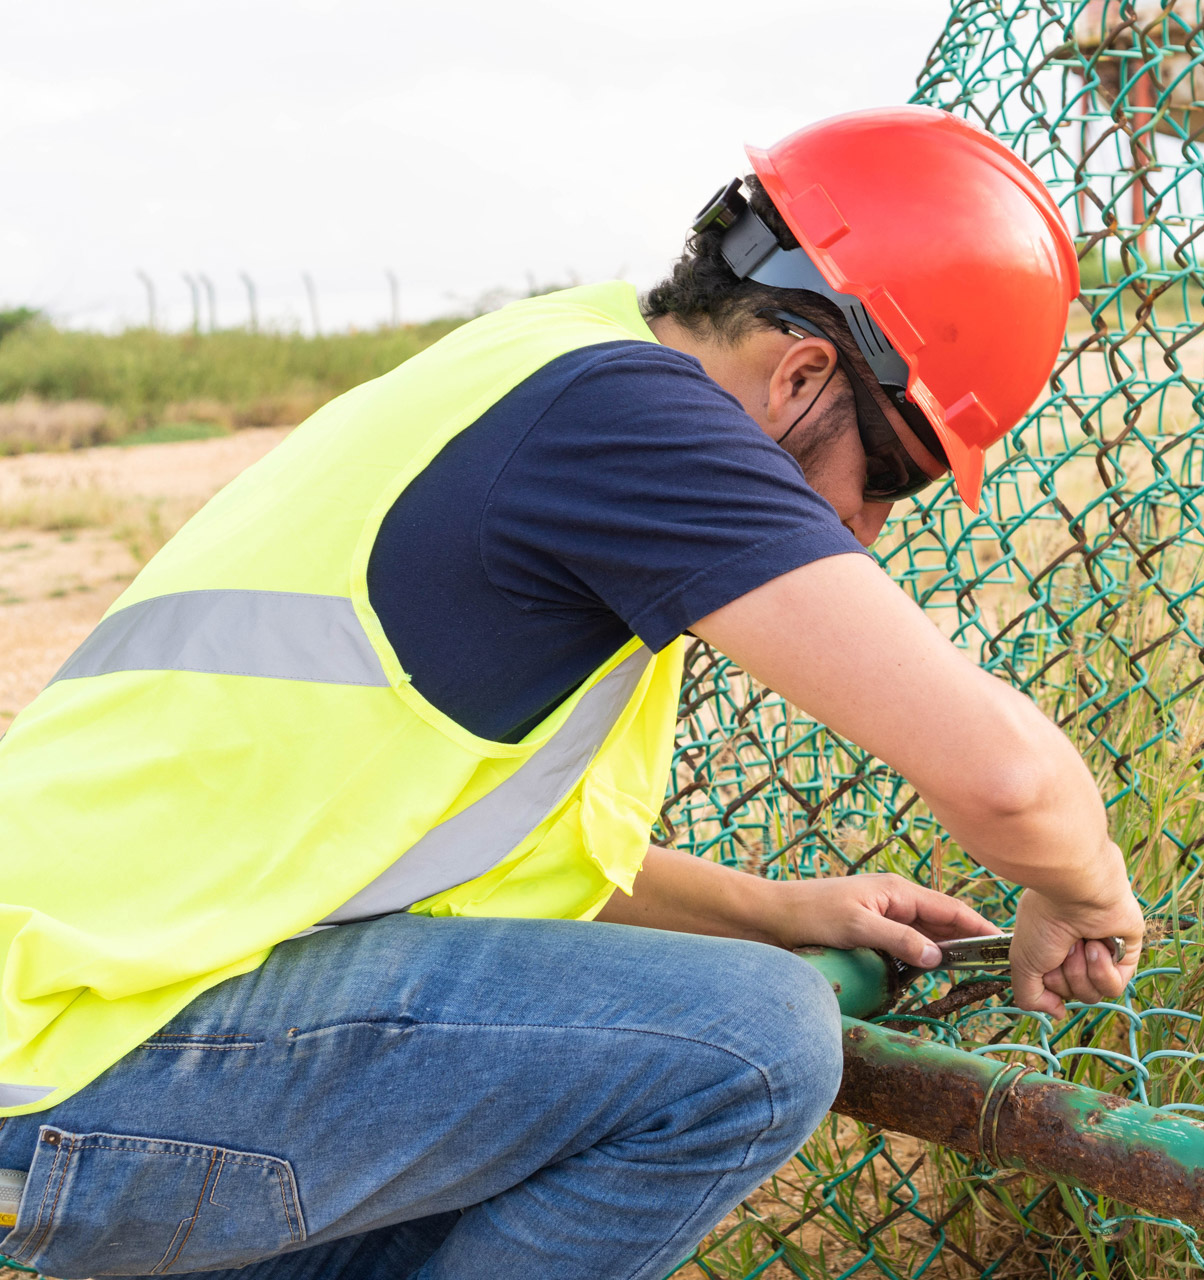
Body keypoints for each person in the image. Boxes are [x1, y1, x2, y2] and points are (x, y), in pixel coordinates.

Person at [0, 106, 1144, 1278]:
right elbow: (1006, 781)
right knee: (755, 1041)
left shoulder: (546, 360)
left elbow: (474, 860)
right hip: (80, 1053)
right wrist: (1083, 888)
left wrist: (777, 908)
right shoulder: (645, 426)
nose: (868, 526)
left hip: (87, 1016)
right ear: (804, 369)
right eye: (895, 471)